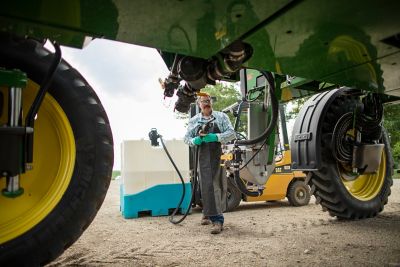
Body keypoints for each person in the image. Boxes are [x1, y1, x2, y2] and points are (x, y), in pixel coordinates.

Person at [184, 92, 236, 234]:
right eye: (203, 101)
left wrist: (215, 136)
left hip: (216, 156)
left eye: (208, 100)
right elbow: (186, 138)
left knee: (215, 185)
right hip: (201, 156)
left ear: (211, 102)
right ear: (199, 104)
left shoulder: (221, 117)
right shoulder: (194, 120)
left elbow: (232, 133)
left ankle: (217, 220)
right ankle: (207, 212)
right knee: (204, 185)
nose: (206, 103)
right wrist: (195, 140)